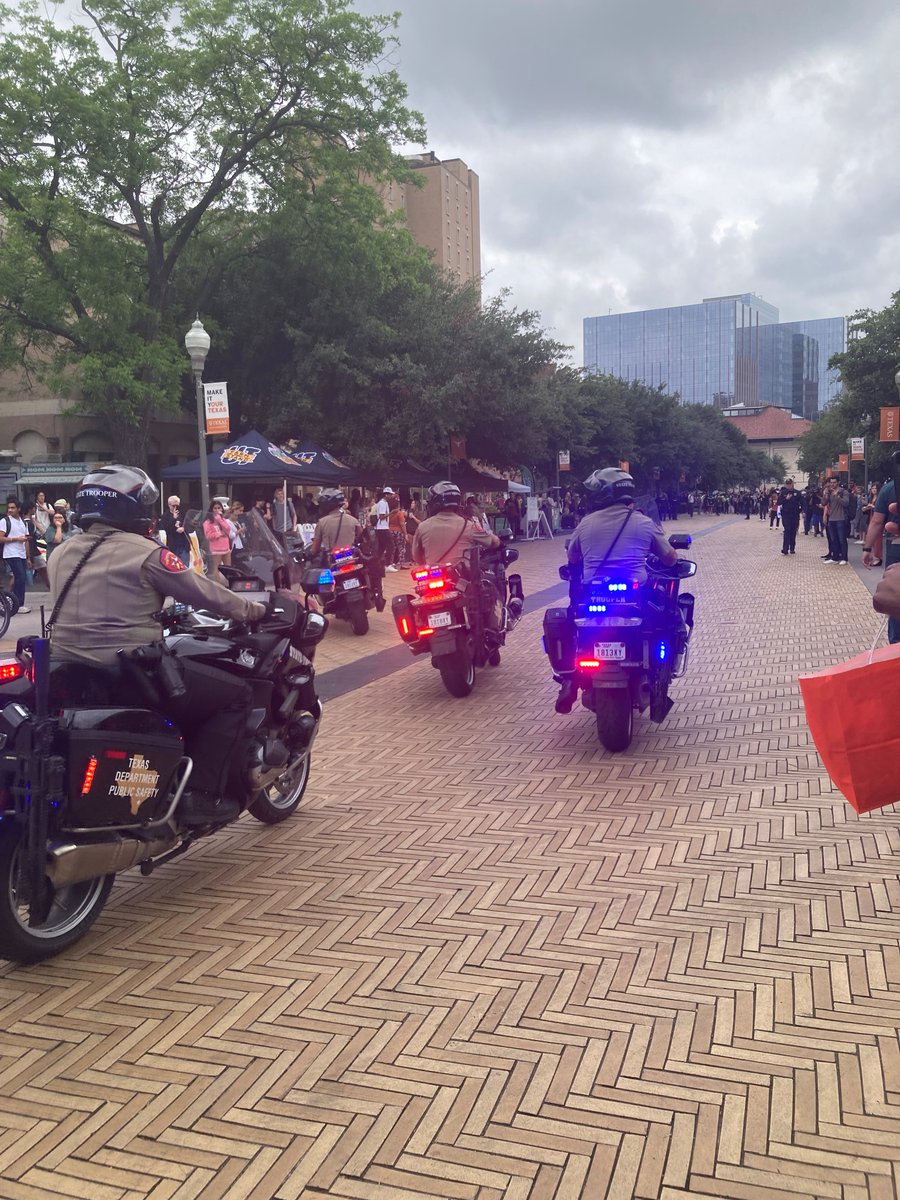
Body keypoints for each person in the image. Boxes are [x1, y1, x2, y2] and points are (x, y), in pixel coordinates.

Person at [47, 466, 268, 815]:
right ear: (129, 507)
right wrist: (252, 610)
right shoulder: (146, 552)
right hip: (130, 674)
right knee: (237, 695)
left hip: (71, 672)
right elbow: (205, 592)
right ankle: (201, 796)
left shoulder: (60, 553)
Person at [552, 468, 677, 714]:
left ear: (605, 494)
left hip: (594, 598)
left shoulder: (586, 523)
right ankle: (661, 675)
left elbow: (572, 557)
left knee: (572, 623)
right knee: (667, 621)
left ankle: (570, 679)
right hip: (635, 598)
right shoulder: (644, 522)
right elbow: (670, 558)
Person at [411, 480, 499, 568]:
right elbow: (493, 542)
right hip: (461, 575)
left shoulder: (422, 526)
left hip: (432, 573)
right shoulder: (468, 526)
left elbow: (416, 557)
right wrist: (494, 537)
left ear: (434, 503)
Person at [0, 495, 33, 614]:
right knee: (20, 577)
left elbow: (26, 540)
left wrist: (28, 557)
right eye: (9, 508)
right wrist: (15, 539)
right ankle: (18, 604)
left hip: (21, 554)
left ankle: (12, 602)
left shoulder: (23, 522)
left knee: (20, 578)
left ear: (18, 509)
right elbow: (1, 538)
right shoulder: (5, 521)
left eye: (13, 508)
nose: (10, 510)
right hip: (11, 553)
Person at [310, 489, 359, 560]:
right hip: (351, 558)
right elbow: (361, 537)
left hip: (331, 561)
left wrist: (311, 554)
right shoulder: (353, 520)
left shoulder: (322, 522)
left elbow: (314, 549)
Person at [202, 500, 232, 582]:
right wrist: (220, 533)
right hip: (216, 549)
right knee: (216, 568)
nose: (217, 510)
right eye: (215, 508)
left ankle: (229, 584)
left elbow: (228, 529)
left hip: (226, 547)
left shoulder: (223, 519)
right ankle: (218, 586)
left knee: (228, 568)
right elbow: (208, 536)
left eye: (219, 508)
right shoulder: (207, 522)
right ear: (211, 510)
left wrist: (220, 520)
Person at [158, 495, 192, 567]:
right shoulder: (165, 516)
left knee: (185, 566)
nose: (175, 508)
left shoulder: (182, 514)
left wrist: (183, 528)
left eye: (177, 505)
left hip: (184, 544)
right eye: (173, 506)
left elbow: (189, 525)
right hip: (173, 545)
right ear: (169, 505)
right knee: (174, 567)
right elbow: (166, 528)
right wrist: (173, 518)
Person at [778, 479, 803, 555]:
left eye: (790, 484)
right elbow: (779, 502)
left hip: (794, 514)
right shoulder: (783, 493)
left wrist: (803, 511)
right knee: (787, 530)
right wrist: (786, 499)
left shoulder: (797, 493)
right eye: (787, 484)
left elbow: (802, 502)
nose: (788, 485)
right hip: (786, 515)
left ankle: (792, 547)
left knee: (793, 531)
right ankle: (785, 549)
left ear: (792, 484)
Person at [375, 487, 395, 570]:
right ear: (386, 495)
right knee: (391, 545)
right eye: (390, 494)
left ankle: (376, 564)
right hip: (382, 528)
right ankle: (388, 565)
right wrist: (391, 513)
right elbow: (381, 516)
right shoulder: (382, 503)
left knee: (382, 547)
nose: (391, 496)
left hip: (381, 527)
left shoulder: (383, 503)